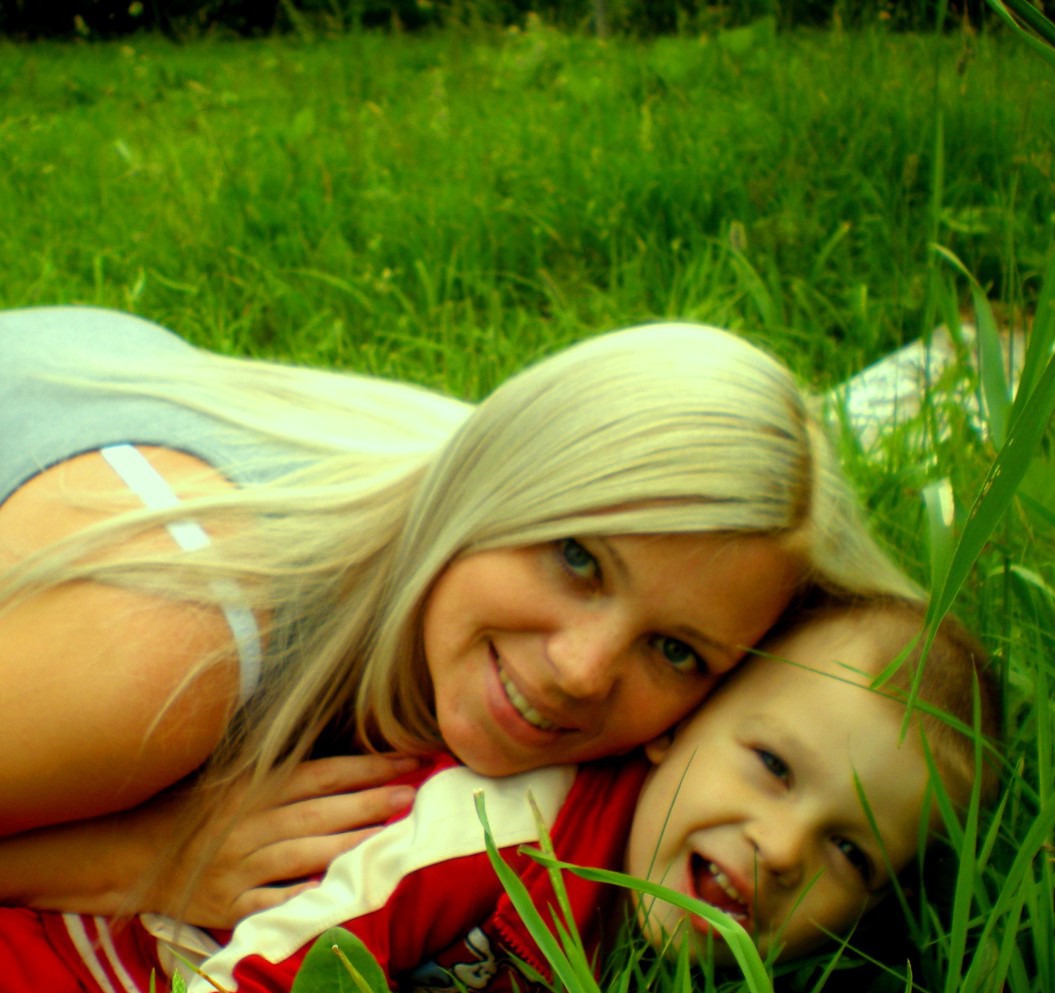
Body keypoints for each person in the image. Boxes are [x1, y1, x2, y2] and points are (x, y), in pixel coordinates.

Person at [0, 595, 1001, 993]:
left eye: (849, 852)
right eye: (773, 766)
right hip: (103, 977)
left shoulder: (676, 982)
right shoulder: (503, 828)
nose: (781, 849)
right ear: (679, 723)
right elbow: (254, 991)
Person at [0, 308, 916, 927]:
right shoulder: (171, 651)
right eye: (577, 558)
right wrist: (142, 860)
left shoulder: (483, 539)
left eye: (673, 650)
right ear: (496, 479)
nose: (582, 671)